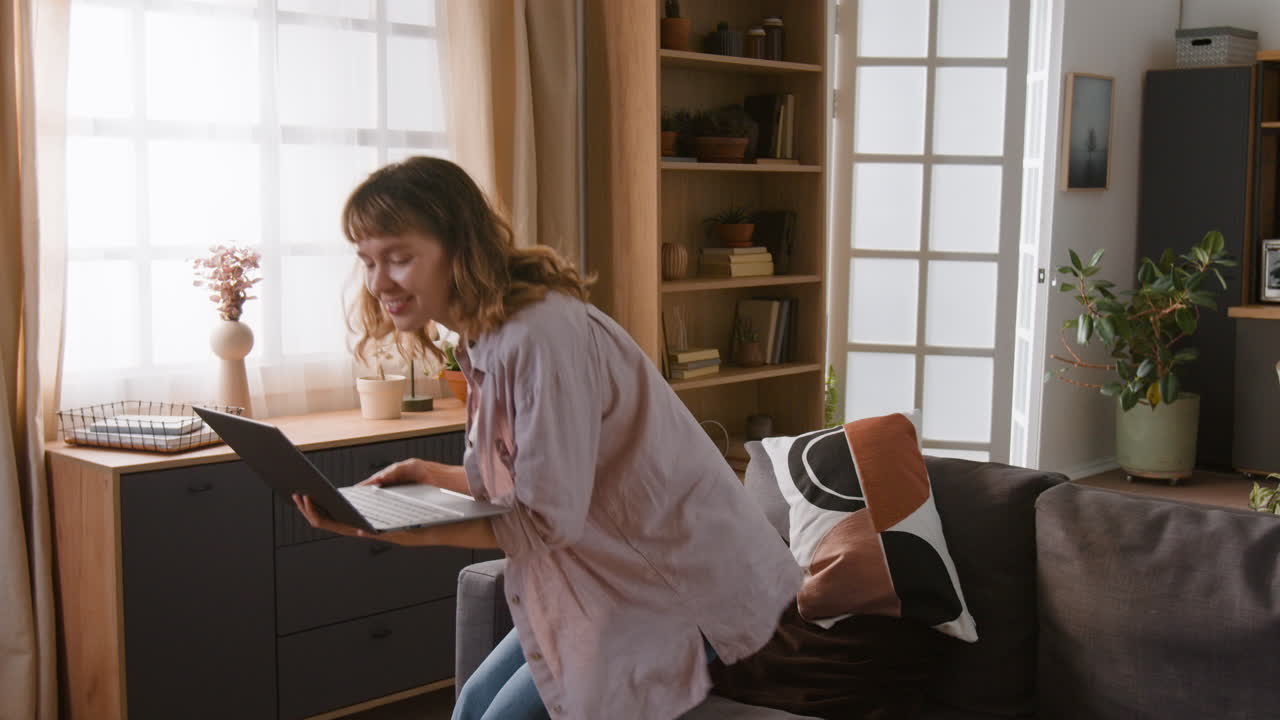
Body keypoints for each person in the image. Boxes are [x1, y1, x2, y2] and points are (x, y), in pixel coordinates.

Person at [292, 157, 802, 720]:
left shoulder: (537, 338)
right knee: (473, 708)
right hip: (609, 574)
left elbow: (545, 517)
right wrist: (430, 476)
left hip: (676, 585)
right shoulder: (484, 339)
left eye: (399, 258)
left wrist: (407, 532)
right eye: (367, 261)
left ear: (459, 248)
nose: (378, 281)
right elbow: (544, 481)